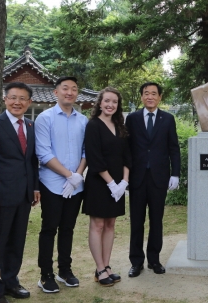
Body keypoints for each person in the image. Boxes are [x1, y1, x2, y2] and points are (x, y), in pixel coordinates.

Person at [0, 82, 40, 303]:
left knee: (16, 242)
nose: (17, 102)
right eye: (13, 97)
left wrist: (35, 187)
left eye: (22, 98)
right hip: (1, 197)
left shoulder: (31, 126)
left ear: (29, 102)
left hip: (24, 196)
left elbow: (32, 161)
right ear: (5, 99)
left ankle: (10, 282)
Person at [35, 76, 88, 293]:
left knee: (68, 228)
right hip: (52, 183)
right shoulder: (44, 118)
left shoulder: (83, 120)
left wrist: (77, 175)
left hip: (75, 185)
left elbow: (87, 151)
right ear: (56, 92)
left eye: (74, 89)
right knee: (49, 228)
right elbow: (43, 152)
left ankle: (65, 270)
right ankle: (45, 274)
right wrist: (68, 174)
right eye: (65, 88)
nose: (69, 92)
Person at [126, 82, 181, 277]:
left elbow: (174, 148)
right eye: (146, 93)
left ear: (159, 97)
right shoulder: (132, 119)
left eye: (154, 94)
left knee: (156, 220)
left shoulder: (168, 119)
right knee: (137, 221)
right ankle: (136, 261)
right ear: (141, 97)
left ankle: (154, 260)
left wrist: (175, 173)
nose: (150, 97)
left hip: (159, 178)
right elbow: (126, 149)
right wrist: (124, 177)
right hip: (137, 178)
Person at [83, 87, 131, 286]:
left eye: (114, 102)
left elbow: (128, 156)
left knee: (111, 224)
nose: (110, 105)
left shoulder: (120, 126)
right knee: (98, 225)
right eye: (107, 101)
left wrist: (124, 182)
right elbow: (94, 157)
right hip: (99, 183)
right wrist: (111, 183)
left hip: (119, 184)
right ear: (100, 103)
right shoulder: (93, 125)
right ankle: (99, 268)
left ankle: (107, 265)